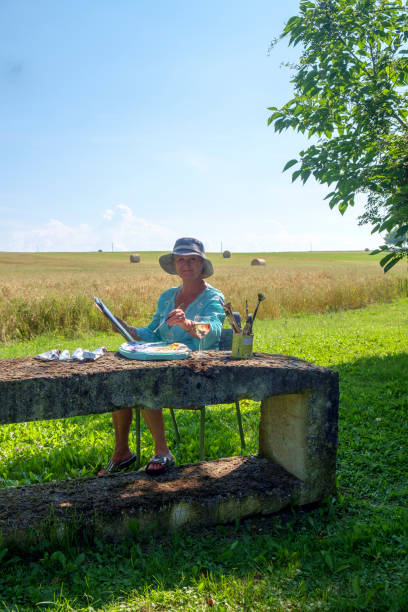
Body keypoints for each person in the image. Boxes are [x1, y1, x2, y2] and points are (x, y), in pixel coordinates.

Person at [98, 237, 225, 476]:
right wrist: (127, 329)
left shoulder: (213, 298)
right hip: (163, 362)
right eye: (181, 260)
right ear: (175, 265)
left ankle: (162, 451)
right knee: (121, 377)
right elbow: (151, 334)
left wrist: (188, 324)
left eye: (192, 260)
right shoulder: (167, 297)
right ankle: (121, 453)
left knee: (144, 379)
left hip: (197, 369)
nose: (186, 264)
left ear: (201, 265)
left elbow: (212, 332)